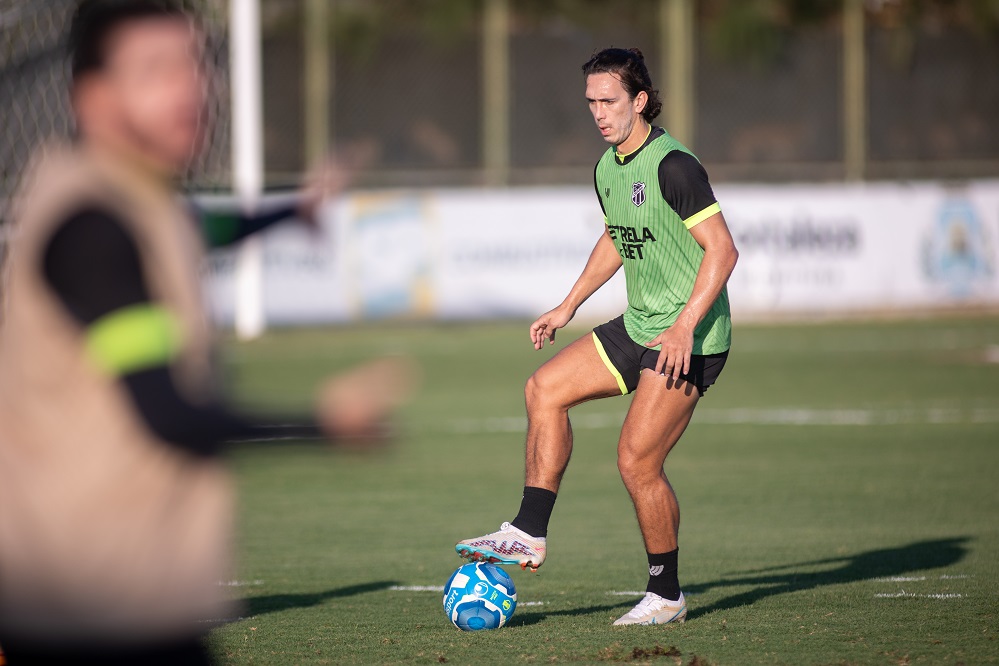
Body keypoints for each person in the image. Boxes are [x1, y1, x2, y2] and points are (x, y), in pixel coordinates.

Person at [0, 1, 409, 663]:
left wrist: (291, 211)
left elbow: (200, 231)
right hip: (86, 612)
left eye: (197, 65)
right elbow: (164, 412)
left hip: (128, 598)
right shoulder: (94, 231)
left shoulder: (142, 202)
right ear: (93, 98)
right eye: (156, 70)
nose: (191, 88)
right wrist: (323, 424)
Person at [455, 47, 738, 626]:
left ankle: (667, 595)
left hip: (691, 337)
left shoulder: (674, 166)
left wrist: (684, 327)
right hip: (640, 325)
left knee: (636, 461)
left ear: (639, 101)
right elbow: (616, 236)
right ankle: (529, 531)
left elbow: (724, 251)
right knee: (543, 389)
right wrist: (566, 307)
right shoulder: (608, 168)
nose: (599, 113)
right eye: (591, 103)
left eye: (609, 101)